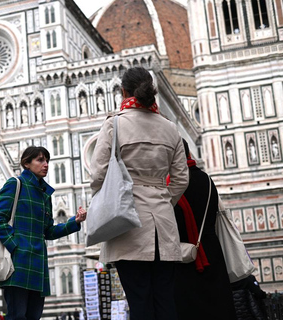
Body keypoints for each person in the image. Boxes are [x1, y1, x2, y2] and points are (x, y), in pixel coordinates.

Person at [90, 67, 189, 320]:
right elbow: (180, 180)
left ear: (123, 91)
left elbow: (98, 175)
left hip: (128, 225)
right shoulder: (170, 128)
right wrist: (164, 200)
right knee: (165, 301)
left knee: (139, 301)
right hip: (164, 226)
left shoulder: (115, 124)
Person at [0, 146, 87, 320]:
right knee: (17, 316)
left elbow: (48, 231)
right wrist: (16, 246)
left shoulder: (45, 194)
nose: (46, 164)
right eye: (40, 160)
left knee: (34, 316)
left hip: (38, 263)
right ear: (26, 163)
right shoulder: (15, 184)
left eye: (47, 160)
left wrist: (75, 222)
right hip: (18, 263)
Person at [173, 139, 237, 320]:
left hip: (183, 260)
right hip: (212, 253)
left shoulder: (171, 184)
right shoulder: (206, 180)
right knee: (217, 307)